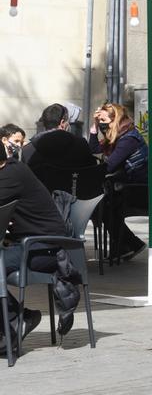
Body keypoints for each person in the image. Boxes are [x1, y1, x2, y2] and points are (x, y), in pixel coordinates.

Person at [0, 140, 81, 341]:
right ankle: (13, 323)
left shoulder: (10, 176)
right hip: (30, 244)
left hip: (45, 249)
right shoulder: (12, 169)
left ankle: (17, 320)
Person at [87, 103, 151, 262]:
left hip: (142, 188)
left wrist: (88, 175)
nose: (102, 124)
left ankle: (129, 244)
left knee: (103, 206)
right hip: (128, 185)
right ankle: (125, 245)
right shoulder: (117, 135)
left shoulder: (128, 139)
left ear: (115, 120)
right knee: (103, 205)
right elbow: (94, 149)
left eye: (103, 120)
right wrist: (94, 128)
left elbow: (109, 166)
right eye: (99, 120)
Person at [24, 104, 95, 170]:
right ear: (62, 123)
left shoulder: (28, 150)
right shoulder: (81, 145)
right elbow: (91, 171)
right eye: (68, 122)